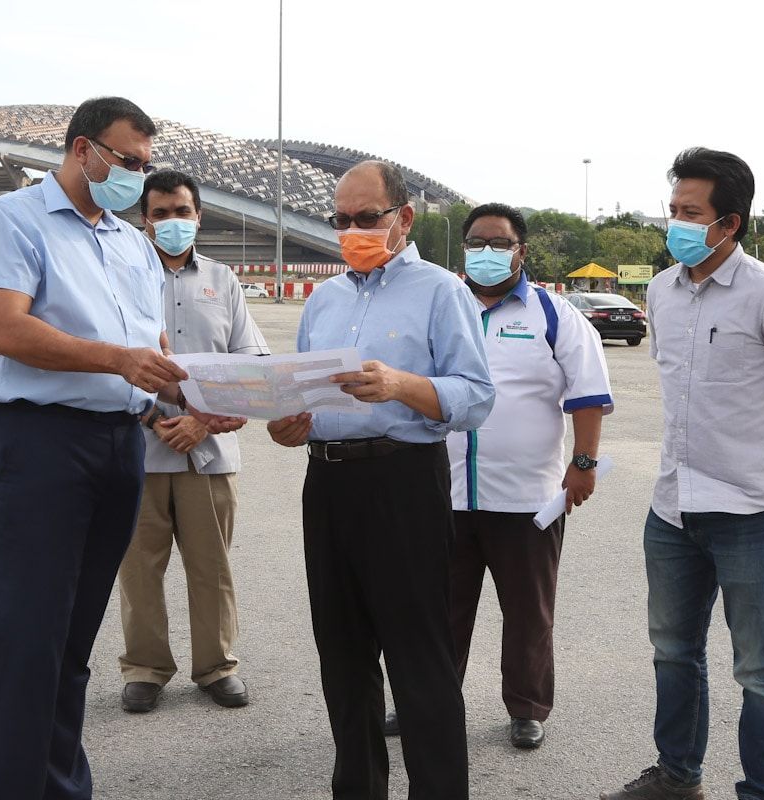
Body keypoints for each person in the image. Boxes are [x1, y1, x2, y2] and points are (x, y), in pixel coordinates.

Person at [0, 97, 242, 800]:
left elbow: (155, 353)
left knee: (72, 647)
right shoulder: (12, 221)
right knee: (29, 642)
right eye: (128, 160)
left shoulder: (126, 242)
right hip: (41, 445)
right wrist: (117, 361)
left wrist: (206, 396)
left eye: (145, 164)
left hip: (121, 445)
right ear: (83, 148)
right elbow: (6, 330)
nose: (137, 176)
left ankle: (59, 785)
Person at [601, 147, 764, 800]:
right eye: (672, 209)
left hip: (752, 514)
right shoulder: (660, 292)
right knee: (674, 653)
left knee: (762, 669)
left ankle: (762, 792)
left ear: (728, 224)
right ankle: (678, 777)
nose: (674, 221)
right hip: (672, 510)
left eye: (690, 212)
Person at [267, 160, 495, 800]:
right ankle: (359, 788)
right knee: (341, 656)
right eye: (340, 221)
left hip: (403, 484)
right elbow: (309, 396)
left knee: (419, 659)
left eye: (367, 218)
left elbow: (477, 398)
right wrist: (295, 426)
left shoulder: (439, 291)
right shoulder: (326, 298)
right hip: (330, 484)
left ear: (403, 219)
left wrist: (400, 384)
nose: (353, 231)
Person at [381, 203, 613, 750]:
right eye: (476, 243)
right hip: (445, 492)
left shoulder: (554, 315)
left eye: (498, 243)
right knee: (438, 611)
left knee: (529, 613)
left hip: (527, 497)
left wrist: (583, 465)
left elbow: (587, 395)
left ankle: (527, 707)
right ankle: (428, 700)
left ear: (520, 251)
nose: (486, 253)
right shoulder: (442, 309)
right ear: (463, 251)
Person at [117, 169, 270, 713]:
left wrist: (202, 421)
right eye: (160, 214)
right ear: (144, 220)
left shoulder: (224, 281)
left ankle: (216, 666)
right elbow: (106, 360)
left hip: (210, 452)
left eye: (181, 211)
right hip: (139, 451)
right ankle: (146, 668)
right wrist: (152, 416)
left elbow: (250, 364)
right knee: (139, 571)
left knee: (212, 568)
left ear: (198, 215)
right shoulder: (121, 277)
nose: (172, 222)